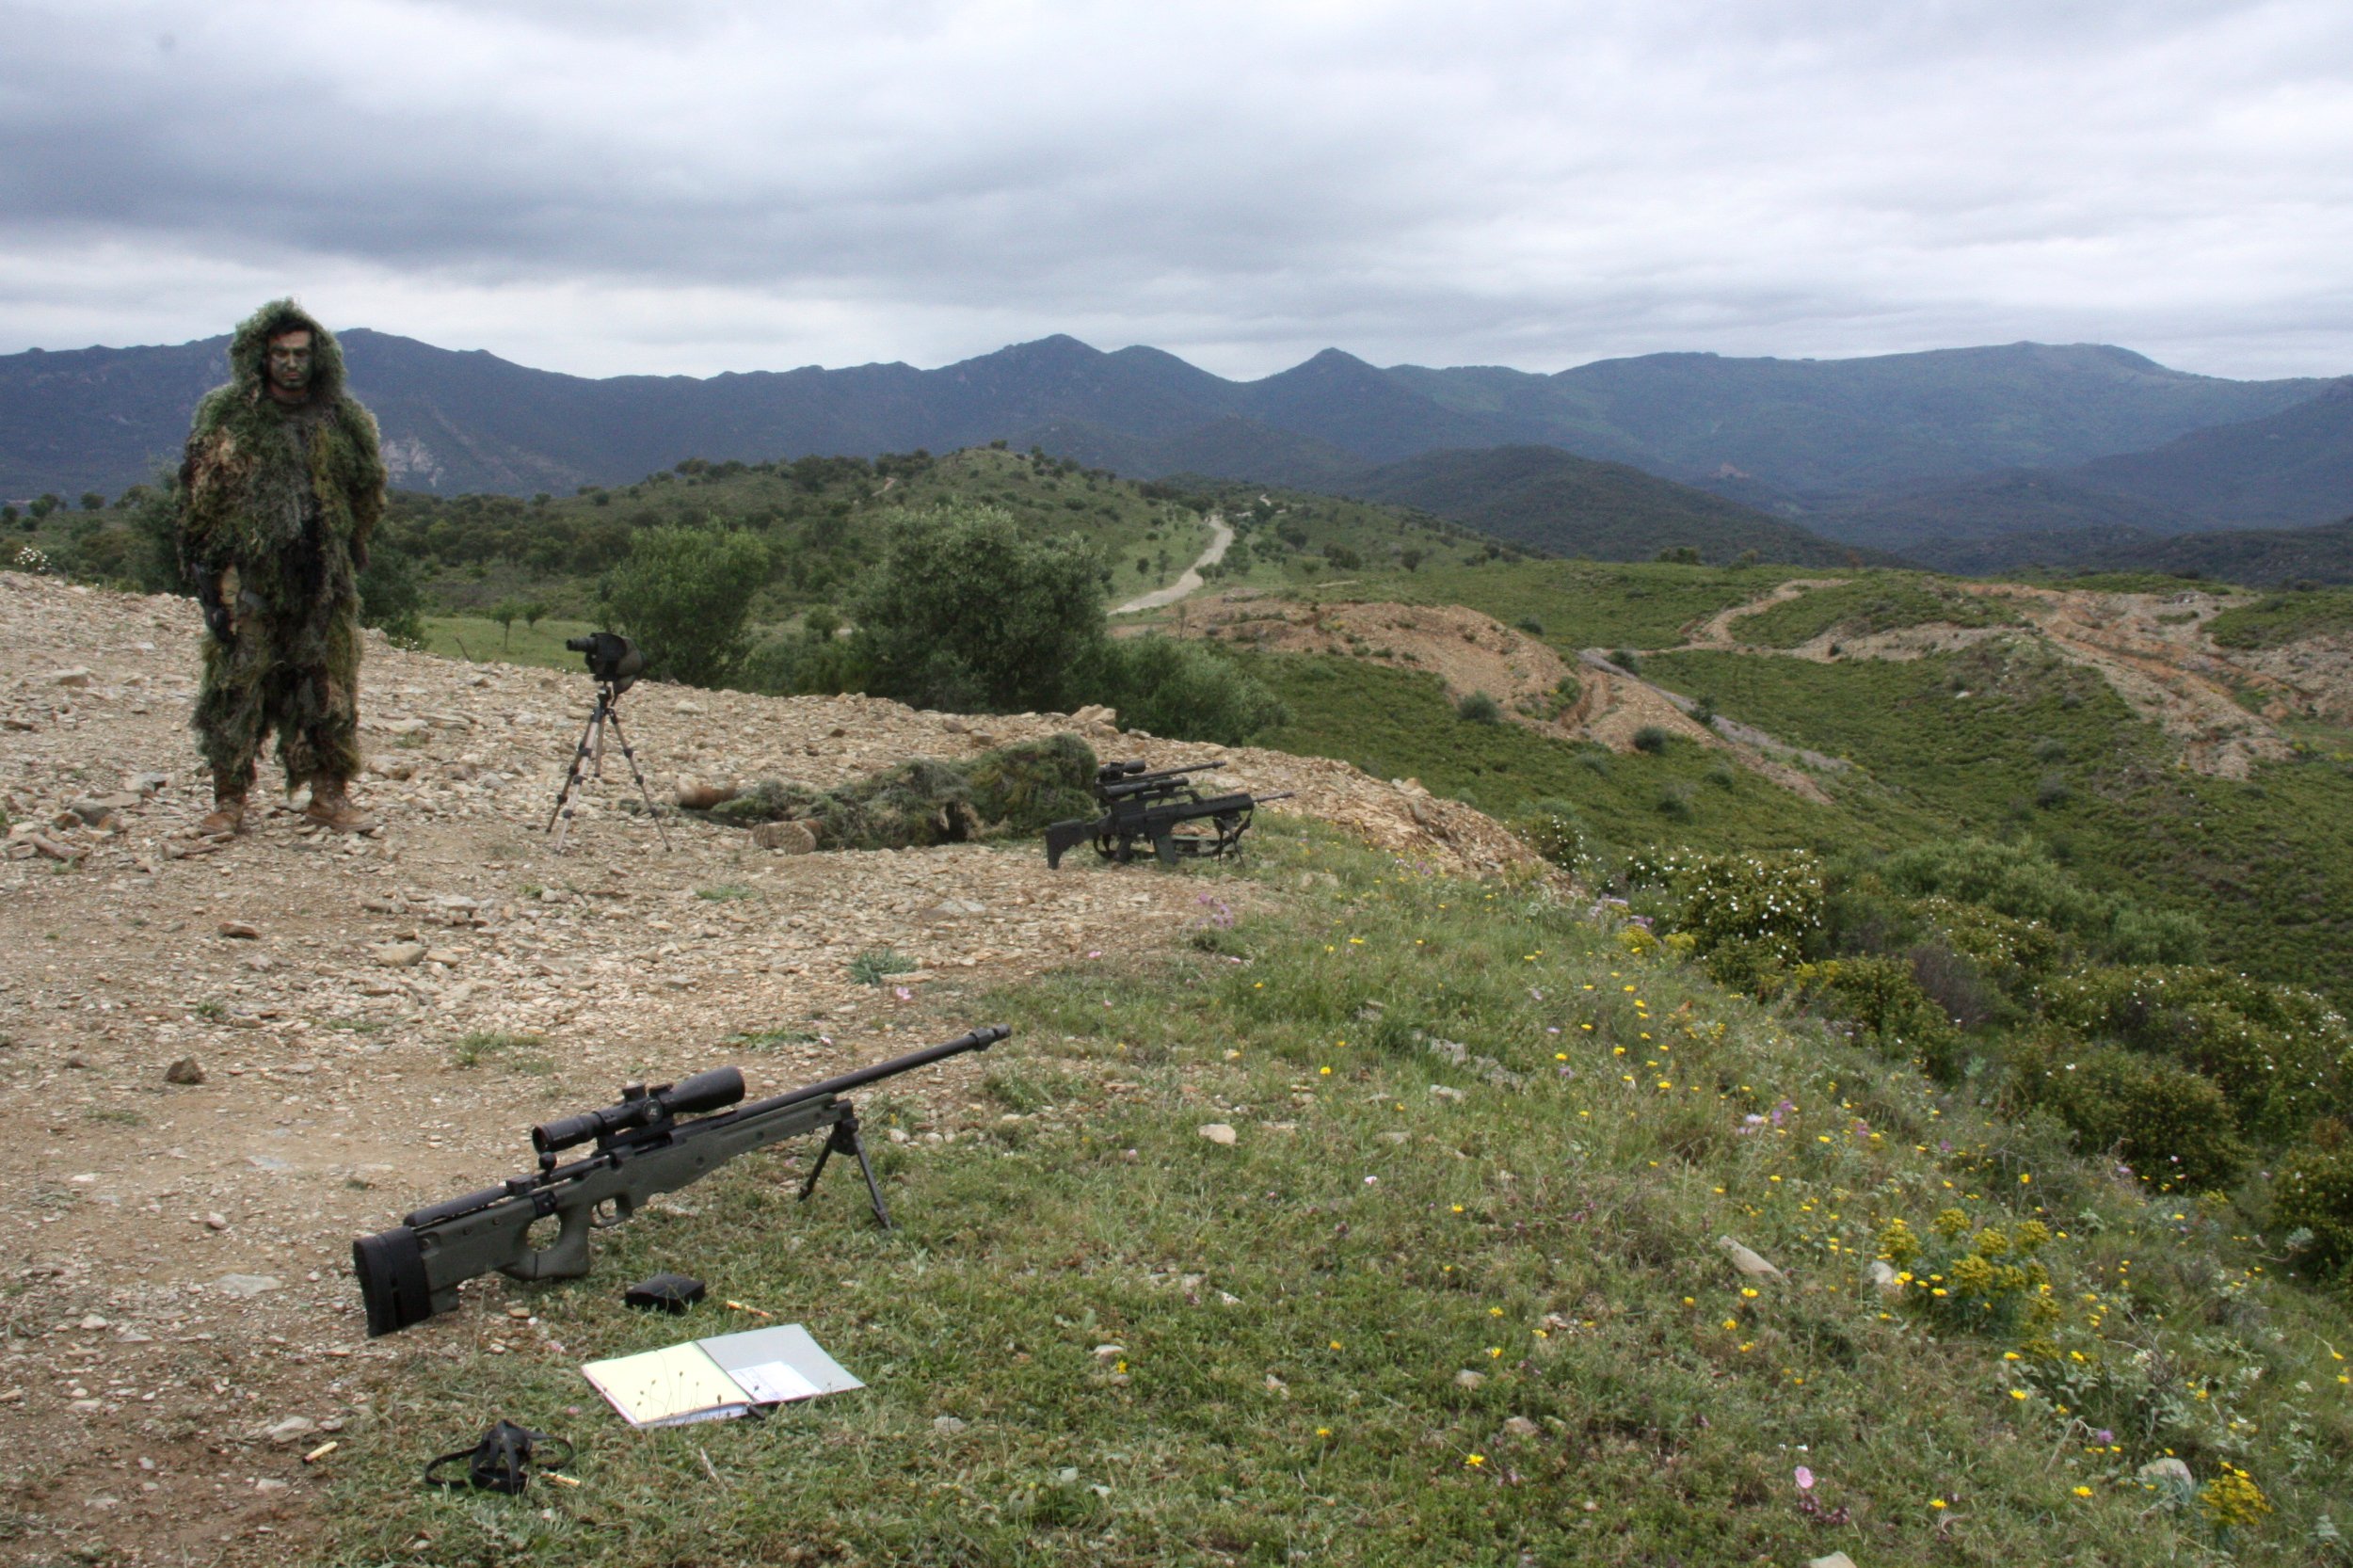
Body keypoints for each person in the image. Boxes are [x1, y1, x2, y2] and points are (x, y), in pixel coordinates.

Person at [177, 299, 386, 835]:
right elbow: (202, 498)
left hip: (322, 578)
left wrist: (350, 552)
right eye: (280, 354)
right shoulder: (231, 416)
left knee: (328, 687)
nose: (291, 364)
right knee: (235, 685)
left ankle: (329, 796)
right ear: (261, 357)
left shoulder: (343, 420)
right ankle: (228, 802)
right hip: (249, 577)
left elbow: (366, 491)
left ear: (319, 359)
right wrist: (211, 579)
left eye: (300, 354)